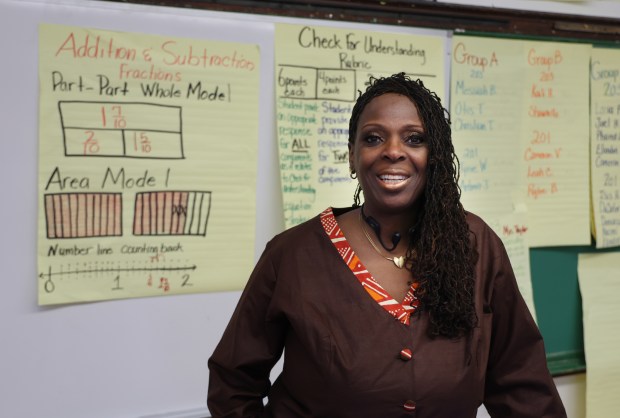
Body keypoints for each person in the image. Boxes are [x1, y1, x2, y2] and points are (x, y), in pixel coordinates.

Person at [207, 73, 566, 417]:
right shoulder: (291, 255)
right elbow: (233, 383)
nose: (393, 151)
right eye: (374, 138)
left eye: (414, 139)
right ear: (352, 155)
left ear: (435, 154)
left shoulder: (476, 245)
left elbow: (521, 383)